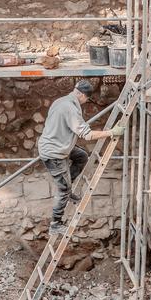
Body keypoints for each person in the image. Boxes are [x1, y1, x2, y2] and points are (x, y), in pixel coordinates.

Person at [37, 80, 125, 234]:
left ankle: (68, 187)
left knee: (82, 156)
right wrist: (112, 132)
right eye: (86, 99)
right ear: (83, 96)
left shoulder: (61, 101)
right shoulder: (70, 108)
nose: (85, 102)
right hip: (54, 153)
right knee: (63, 190)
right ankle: (55, 224)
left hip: (59, 145)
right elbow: (88, 135)